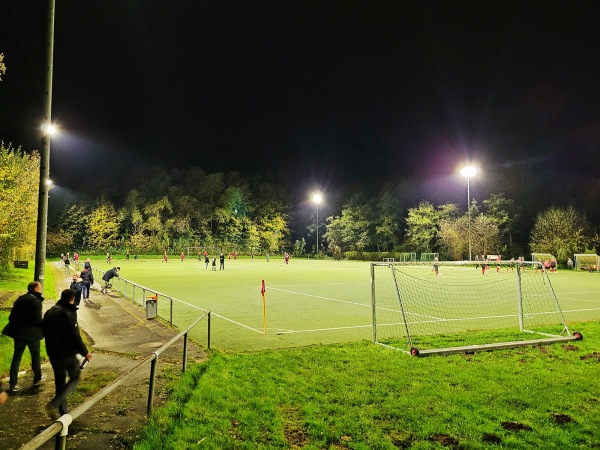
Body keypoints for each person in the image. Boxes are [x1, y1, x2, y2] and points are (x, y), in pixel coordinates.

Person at [43, 289, 92, 419]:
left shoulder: (50, 311)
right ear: (72, 299)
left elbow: (44, 331)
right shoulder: (68, 313)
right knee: (75, 376)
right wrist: (85, 352)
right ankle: (54, 404)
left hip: (53, 352)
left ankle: (63, 411)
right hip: (66, 353)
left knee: (60, 381)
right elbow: (74, 335)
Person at [7, 281, 46, 393]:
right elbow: (38, 320)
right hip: (32, 335)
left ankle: (13, 385)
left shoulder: (20, 299)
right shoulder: (36, 301)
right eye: (40, 288)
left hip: (19, 334)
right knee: (35, 357)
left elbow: (12, 317)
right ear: (35, 289)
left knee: (17, 357)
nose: (41, 289)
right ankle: (37, 381)